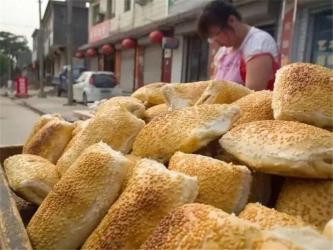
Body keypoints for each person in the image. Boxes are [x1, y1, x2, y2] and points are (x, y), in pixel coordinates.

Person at [197, 0, 280, 91]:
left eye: (216, 34)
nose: (215, 41)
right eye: (211, 37)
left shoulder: (259, 43)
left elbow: (252, 95)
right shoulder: (223, 52)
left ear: (231, 20)